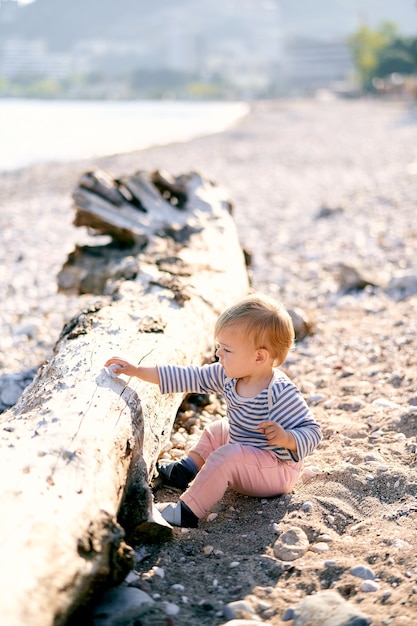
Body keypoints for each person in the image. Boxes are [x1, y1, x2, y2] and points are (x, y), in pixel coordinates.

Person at [105, 293, 322, 528]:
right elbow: (186, 376)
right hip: (249, 452)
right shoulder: (227, 375)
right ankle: (187, 470)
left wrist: (287, 438)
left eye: (227, 350)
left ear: (259, 357)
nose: (218, 354)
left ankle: (187, 512)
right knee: (218, 429)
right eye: (219, 347)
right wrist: (137, 370)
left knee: (226, 456)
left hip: (275, 471)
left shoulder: (279, 392)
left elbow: (313, 432)